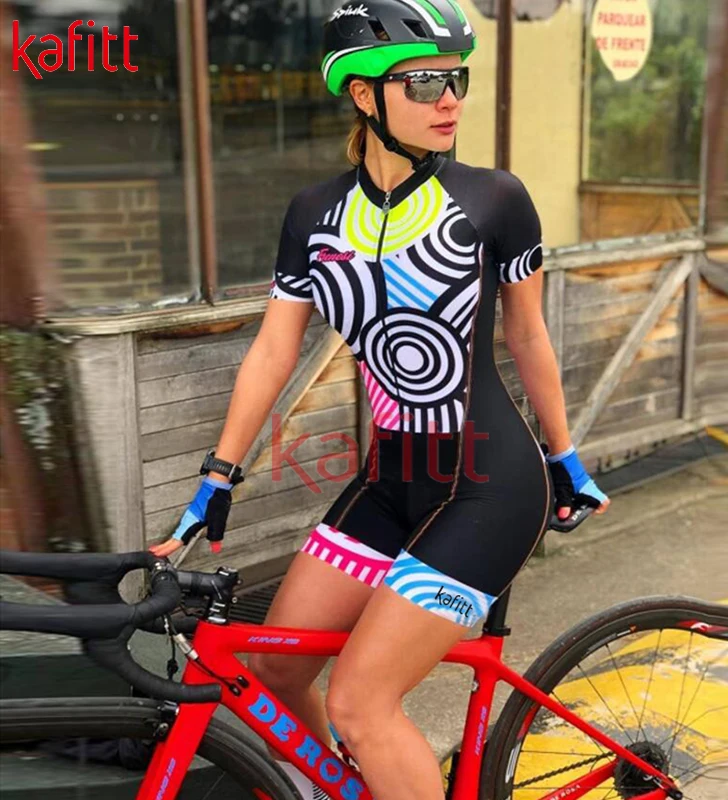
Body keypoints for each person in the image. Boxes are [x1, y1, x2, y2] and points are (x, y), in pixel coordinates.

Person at [150, 0, 610, 797]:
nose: (450, 100)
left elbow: (529, 335)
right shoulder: (314, 214)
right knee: (269, 670)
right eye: (425, 82)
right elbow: (273, 351)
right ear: (364, 96)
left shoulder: (494, 199)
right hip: (390, 480)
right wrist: (216, 477)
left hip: (488, 486)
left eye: (457, 80)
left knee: (362, 703)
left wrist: (565, 455)